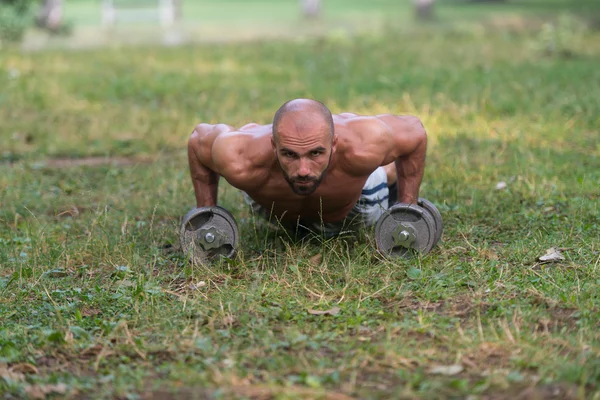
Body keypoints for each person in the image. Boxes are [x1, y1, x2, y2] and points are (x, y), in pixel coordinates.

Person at [187, 98, 428, 238]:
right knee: (247, 172)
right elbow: (198, 139)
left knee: (381, 172)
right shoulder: (239, 154)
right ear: (274, 145)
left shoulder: (363, 142)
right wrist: (207, 215)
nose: (303, 170)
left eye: (315, 153)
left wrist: (408, 207)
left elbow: (415, 132)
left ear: (334, 144)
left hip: (352, 209)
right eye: (290, 154)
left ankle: (387, 177)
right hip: (273, 210)